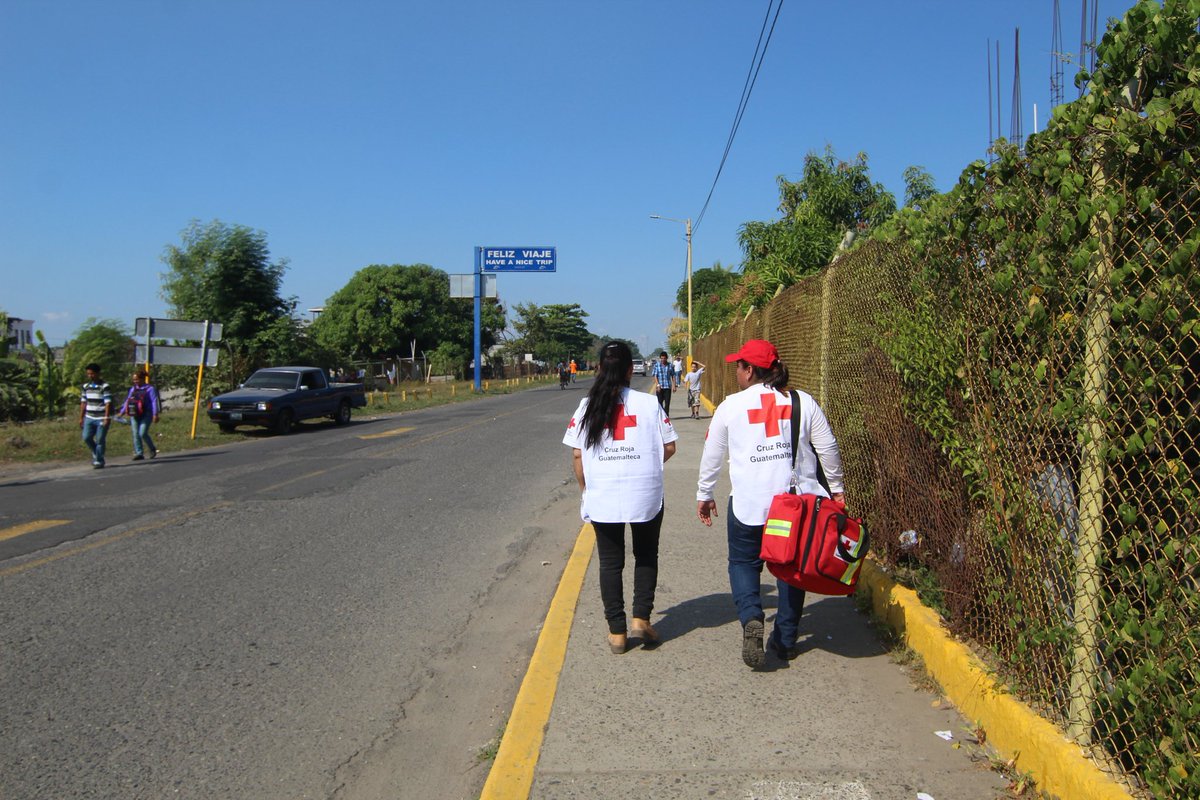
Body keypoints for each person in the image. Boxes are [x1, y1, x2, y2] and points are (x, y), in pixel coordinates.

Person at [695, 339, 845, 668]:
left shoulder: (730, 407)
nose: (736, 371)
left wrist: (705, 495)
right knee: (791, 568)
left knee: (743, 564)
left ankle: (751, 615)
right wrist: (836, 490)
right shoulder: (802, 402)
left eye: (739, 366)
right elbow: (828, 448)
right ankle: (786, 639)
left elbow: (712, 456)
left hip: (750, 504)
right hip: (796, 507)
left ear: (750, 370)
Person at [563, 340, 677, 654]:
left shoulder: (587, 406)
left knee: (610, 563)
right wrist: (643, 466)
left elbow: (577, 455)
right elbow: (669, 447)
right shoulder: (649, 404)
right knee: (646, 554)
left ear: (599, 368)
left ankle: (616, 632)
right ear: (630, 369)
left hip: (604, 494)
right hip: (645, 493)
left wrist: (587, 489)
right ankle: (641, 618)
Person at [118, 369, 160, 461]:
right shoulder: (133, 389)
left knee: (142, 433)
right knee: (135, 434)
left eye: (137, 379)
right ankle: (139, 453)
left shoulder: (150, 389)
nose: (135, 381)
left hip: (146, 414)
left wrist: (155, 414)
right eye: (134, 380)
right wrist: (122, 411)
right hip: (135, 413)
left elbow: (154, 401)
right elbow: (128, 401)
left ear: (142, 379)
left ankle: (152, 448)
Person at [79, 363, 112, 469]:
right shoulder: (86, 387)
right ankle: (96, 454)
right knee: (86, 437)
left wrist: (106, 417)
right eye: (88, 374)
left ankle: (99, 460)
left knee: (100, 439)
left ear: (97, 373)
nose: (90, 376)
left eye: (92, 374)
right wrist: (81, 417)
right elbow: (83, 402)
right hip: (89, 417)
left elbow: (107, 403)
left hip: (101, 417)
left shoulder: (104, 386)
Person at [650, 351, 677, 416]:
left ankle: (666, 416)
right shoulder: (657, 365)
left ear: (666, 358)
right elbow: (655, 376)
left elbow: (673, 375)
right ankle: (661, 416)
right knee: (659, 403)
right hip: (660, 388)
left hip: (667, 387)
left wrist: (674, 386)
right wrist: (658, 385)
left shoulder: (670, 365)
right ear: (660, 358)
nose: (663, 360)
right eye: (661, 358)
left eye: (664, 358)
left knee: (667, 403)